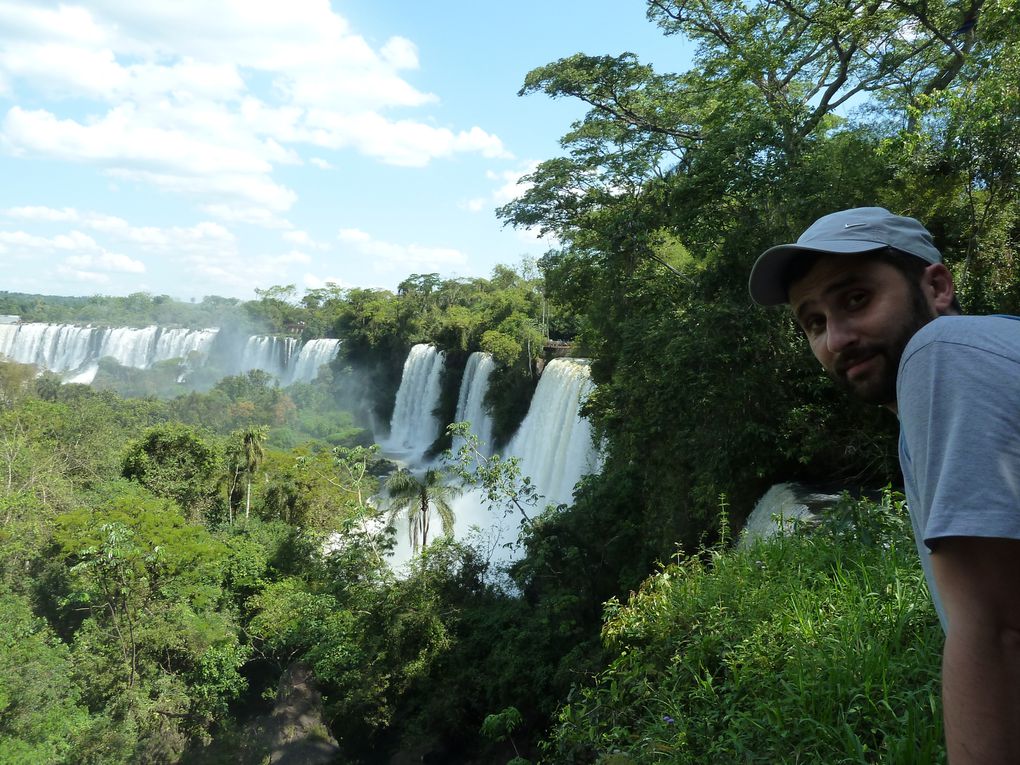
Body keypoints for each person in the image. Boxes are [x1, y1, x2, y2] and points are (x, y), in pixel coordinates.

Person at [748, 207, 1020, 765]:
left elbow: (999, 633)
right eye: (814, 323)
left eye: (855, 299)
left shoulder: (940, 353)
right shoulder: (982, 355)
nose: (837, 339)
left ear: (937, 286)